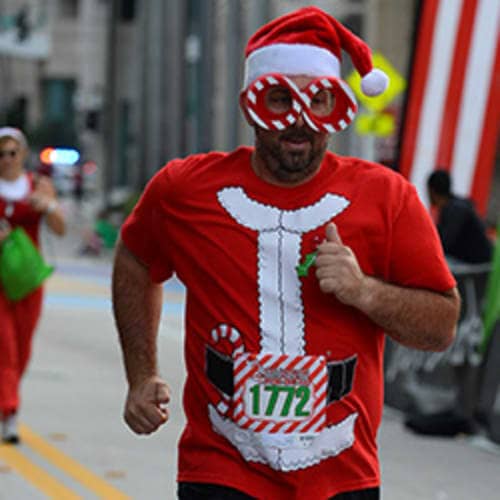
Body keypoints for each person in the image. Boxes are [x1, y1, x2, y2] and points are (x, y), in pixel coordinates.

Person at [112, 7, 460, 499]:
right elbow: (135, 258)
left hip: (341, 478)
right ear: (252, 106)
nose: (300, 119)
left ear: (337, 106)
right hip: (221, 473)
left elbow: (442, 326)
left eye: (318, 100)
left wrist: (365, 292)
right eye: (280, 99)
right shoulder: (185, 190)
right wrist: (141, 373)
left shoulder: (388, 198)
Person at [0, 127, 66, 444]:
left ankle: (7, 400)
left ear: (23, 155)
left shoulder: (37, 185)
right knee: (5, 347)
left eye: (12, 153)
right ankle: (10, 412)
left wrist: (48, 206)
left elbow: (60, 228)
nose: (6, 159)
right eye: (1, 154)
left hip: (27, 278)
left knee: (22, 348)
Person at [427, 169, 493, 264]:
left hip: (475, 264)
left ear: (431, 191)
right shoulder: (455, 206)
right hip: (476, 260)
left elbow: (443, 243)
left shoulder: (455, 210)